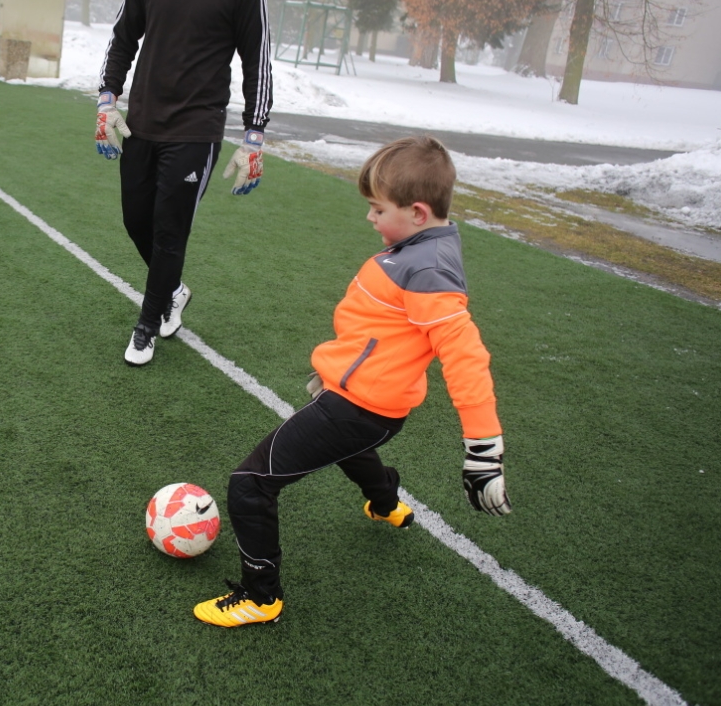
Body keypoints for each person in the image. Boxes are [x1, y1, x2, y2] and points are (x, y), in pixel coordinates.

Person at [193, 137, 512, 628]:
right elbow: (380, 334)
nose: (370, 218)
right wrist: (337, 374)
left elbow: (466, 358)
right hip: (368, 406)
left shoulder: (427, 270)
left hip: (359, 410)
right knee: (351, 448)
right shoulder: (423, 245)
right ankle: (386, 503)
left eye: (377, 208)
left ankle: (261, 597)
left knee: (249, 485)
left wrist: (483, 450)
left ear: (419, 212)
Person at [95, 0, 273, 367]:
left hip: (197, 128)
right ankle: (173, 291)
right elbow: (123, 37)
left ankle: (146, 326)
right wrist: (108, 98)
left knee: (169, 230)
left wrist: (254, 134)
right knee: (136, 219)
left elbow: (257, 60)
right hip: (142, 121)